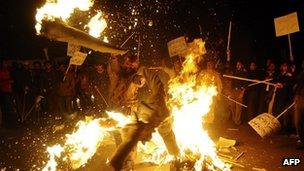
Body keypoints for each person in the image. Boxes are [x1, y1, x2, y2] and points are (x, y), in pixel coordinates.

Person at [108, 54, 179, 170]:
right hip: (126, 109)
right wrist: (114, 58)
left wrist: (141, 75)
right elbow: (116, 71)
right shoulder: (120, 74)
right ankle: (126, 164)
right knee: (127, 136)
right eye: (127, 62)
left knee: (163, 133)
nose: (129, 64)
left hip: (141, 111)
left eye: (132, 62)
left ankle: (176, 158)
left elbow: (146, 81)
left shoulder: (158, 116)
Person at [0, 59, 17, 129]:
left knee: (12, 107)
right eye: (4, 63)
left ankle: (13, 123)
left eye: (6, 63)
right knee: (8, 108)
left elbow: (13, 80)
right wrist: (7, 81)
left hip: (10, 92)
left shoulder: (9, 72)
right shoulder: (0, 73)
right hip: (4, 93)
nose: (6, 64)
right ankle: (9, 124)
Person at [230, 60, 247, 125]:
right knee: (232, 106)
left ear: (242, 65)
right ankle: (234, 119)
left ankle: (237, 121)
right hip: (233, 90)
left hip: (240, 91)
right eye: (237, 64)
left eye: (239, 64)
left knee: (238, 107)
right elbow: (232, 82)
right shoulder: (235, 72)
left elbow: (245, 84)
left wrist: (242, 92)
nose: (238, 66)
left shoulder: (244, 73)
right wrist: (230, 91)